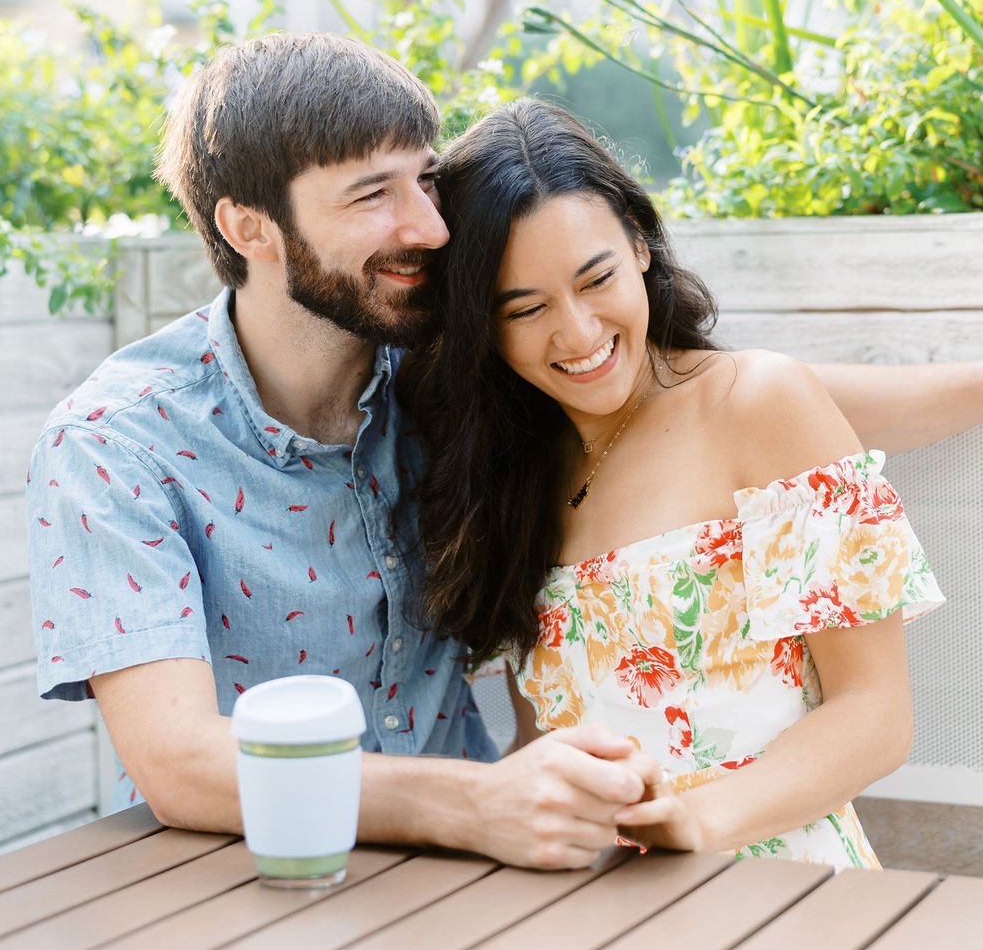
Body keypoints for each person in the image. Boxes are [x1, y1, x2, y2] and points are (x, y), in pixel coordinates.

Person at [26, 33, 972, 871]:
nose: (429, 228)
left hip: (525, 881)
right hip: (255, 885)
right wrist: (481, 805)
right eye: (373, 196)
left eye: (425, 182)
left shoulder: (454, 389)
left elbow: (698, 395)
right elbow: (180, 764)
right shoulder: (121, 445)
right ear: (248, 227)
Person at [405, 98, 946, 868]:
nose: (580, 333)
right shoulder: (508, 477)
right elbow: (540, 744)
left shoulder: (759, 403)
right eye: (527, 309)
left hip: (778, 889)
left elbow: (877, 713)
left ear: (640, 246)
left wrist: (694, 817)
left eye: (597, 279)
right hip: (589, 906)